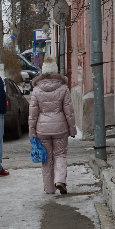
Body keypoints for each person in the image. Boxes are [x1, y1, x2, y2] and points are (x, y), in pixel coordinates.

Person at [28, 57, 77, 194]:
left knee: (47, 159)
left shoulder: (37, 90)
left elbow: (33, 114)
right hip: (60, 128)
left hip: (42, 130)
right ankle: (60, 180)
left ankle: (49, 189)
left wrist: (32, 132)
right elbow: (69, 112)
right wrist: (72, 129)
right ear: (55, 70)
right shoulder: (63, 88)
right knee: (60, 154)